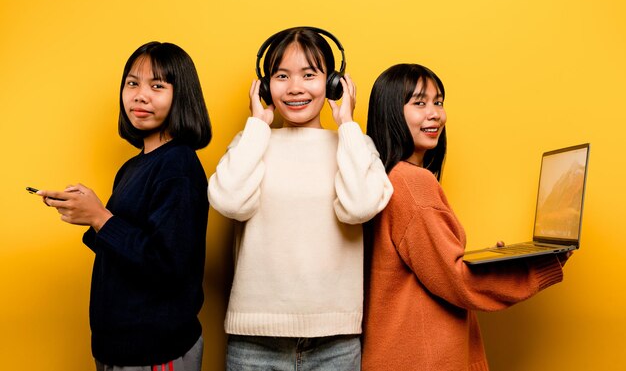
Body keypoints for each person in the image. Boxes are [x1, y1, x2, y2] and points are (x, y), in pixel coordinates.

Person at [362, 63, 569, 371]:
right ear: (390, 112)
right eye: (419, 103)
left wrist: (495, 262)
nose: (435, 113)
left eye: (438, 101)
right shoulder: (412, 183)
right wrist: (538, 267)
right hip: (421, 361)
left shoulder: (382, 179)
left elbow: (432, 269)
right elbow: (458, 282)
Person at [208, 26, 393, 370]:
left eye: (309, 75)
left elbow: (360, 207)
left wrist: (348, 125)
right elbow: (229, 201)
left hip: (335, 343)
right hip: (254, 343)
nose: (295, 88)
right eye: (281, 76)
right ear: (264, 87)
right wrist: (257, 126)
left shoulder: (354, 146)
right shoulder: (251, 142)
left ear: (334, 83)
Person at [37, 42, 212, 371]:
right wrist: (88, 214)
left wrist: (100, 217)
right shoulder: (132, 167)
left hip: (155, 351)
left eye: (157, 85)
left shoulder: (178, 165)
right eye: (132, 83)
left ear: (182, 95)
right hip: (115, 349)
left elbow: (168, 266)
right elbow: (126, 252)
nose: (140, 95)